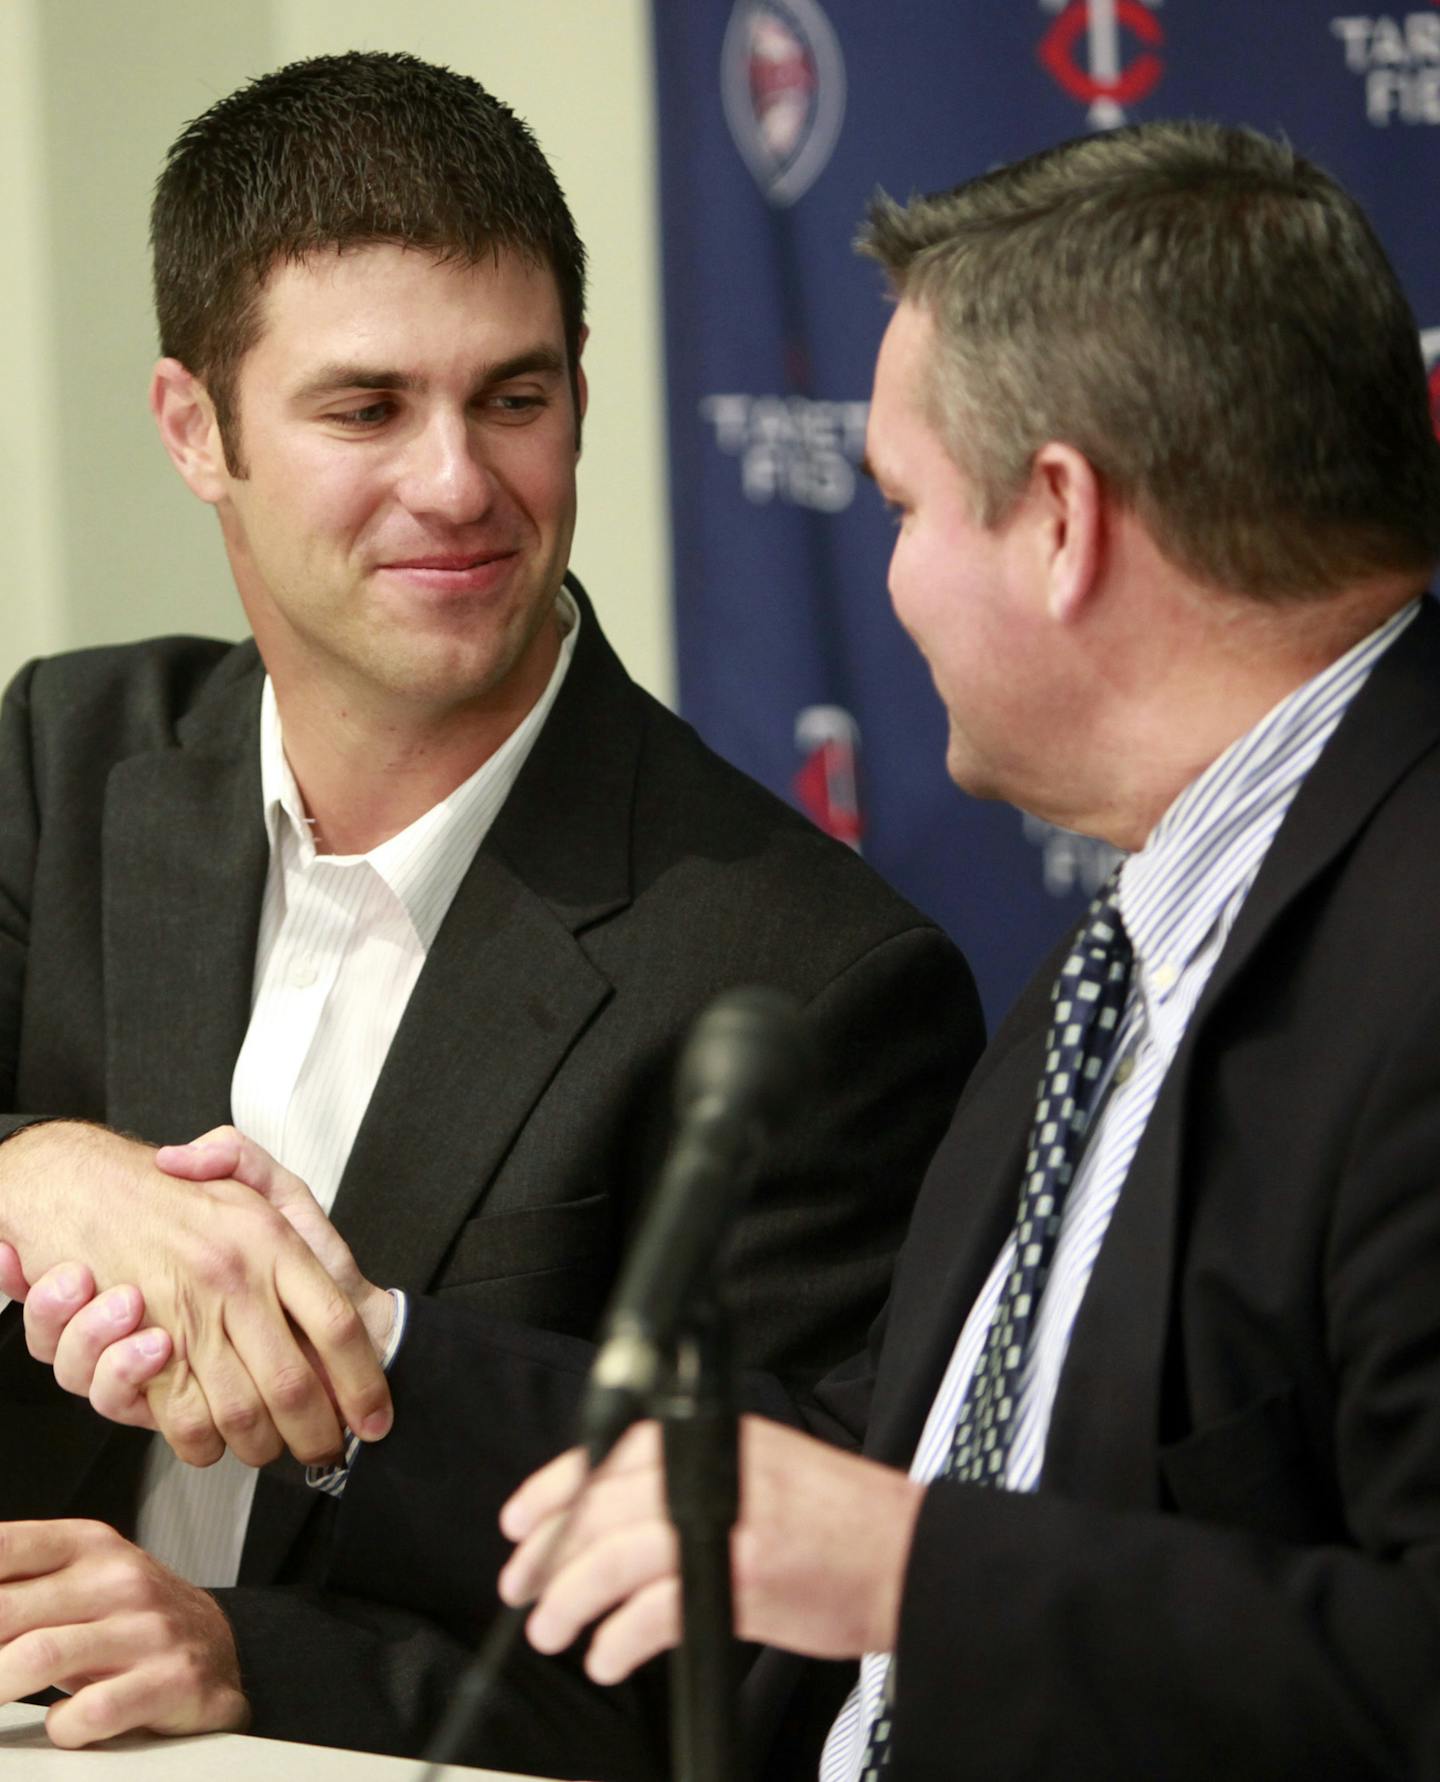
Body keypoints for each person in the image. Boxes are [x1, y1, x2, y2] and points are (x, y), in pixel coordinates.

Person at [48, 116, 1440, 1779]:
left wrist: (908, 1569)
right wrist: (343, 1329)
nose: (898, 584)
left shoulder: (1363, 955)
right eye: (366, 405)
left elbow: (845, 1549)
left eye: (904, 503)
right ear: (195, 428)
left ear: (1058, 522)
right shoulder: (1117, 972)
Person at [0, 48, 981, 1760]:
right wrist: (34, 1172)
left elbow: (783, 1647)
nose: (457, 484)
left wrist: (258, 1659)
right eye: (365, 409)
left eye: (513, 399)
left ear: (582, 396)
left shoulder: (812, 974)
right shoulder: (60, 758)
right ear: (192, 427)